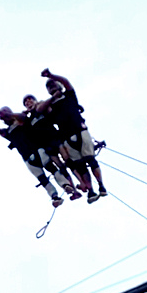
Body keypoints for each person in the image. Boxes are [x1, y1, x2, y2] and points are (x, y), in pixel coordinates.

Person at [0, 107, 78, 207]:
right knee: (42, 178)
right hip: (27, 158)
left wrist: (8, 115)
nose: (5, 119)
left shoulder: (21, 121)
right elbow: (2, 132)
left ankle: (65, 185)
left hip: (37, 150)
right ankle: (54, 197)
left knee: (51, 167)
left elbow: (23, 118)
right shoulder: (9, 131)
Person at [38, 69, 107, 203]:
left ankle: (101, 186)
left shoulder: (69, 95)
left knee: (91, 160)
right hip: (67, 138)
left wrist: (51, 75)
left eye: (53, 83)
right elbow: (40, 109)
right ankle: (91, 191)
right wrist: (53, 97)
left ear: (59, 85)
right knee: (81, 166)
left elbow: (67, 82)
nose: (51, 85)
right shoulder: (50, 106)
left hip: (80, 132)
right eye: (49, 85)